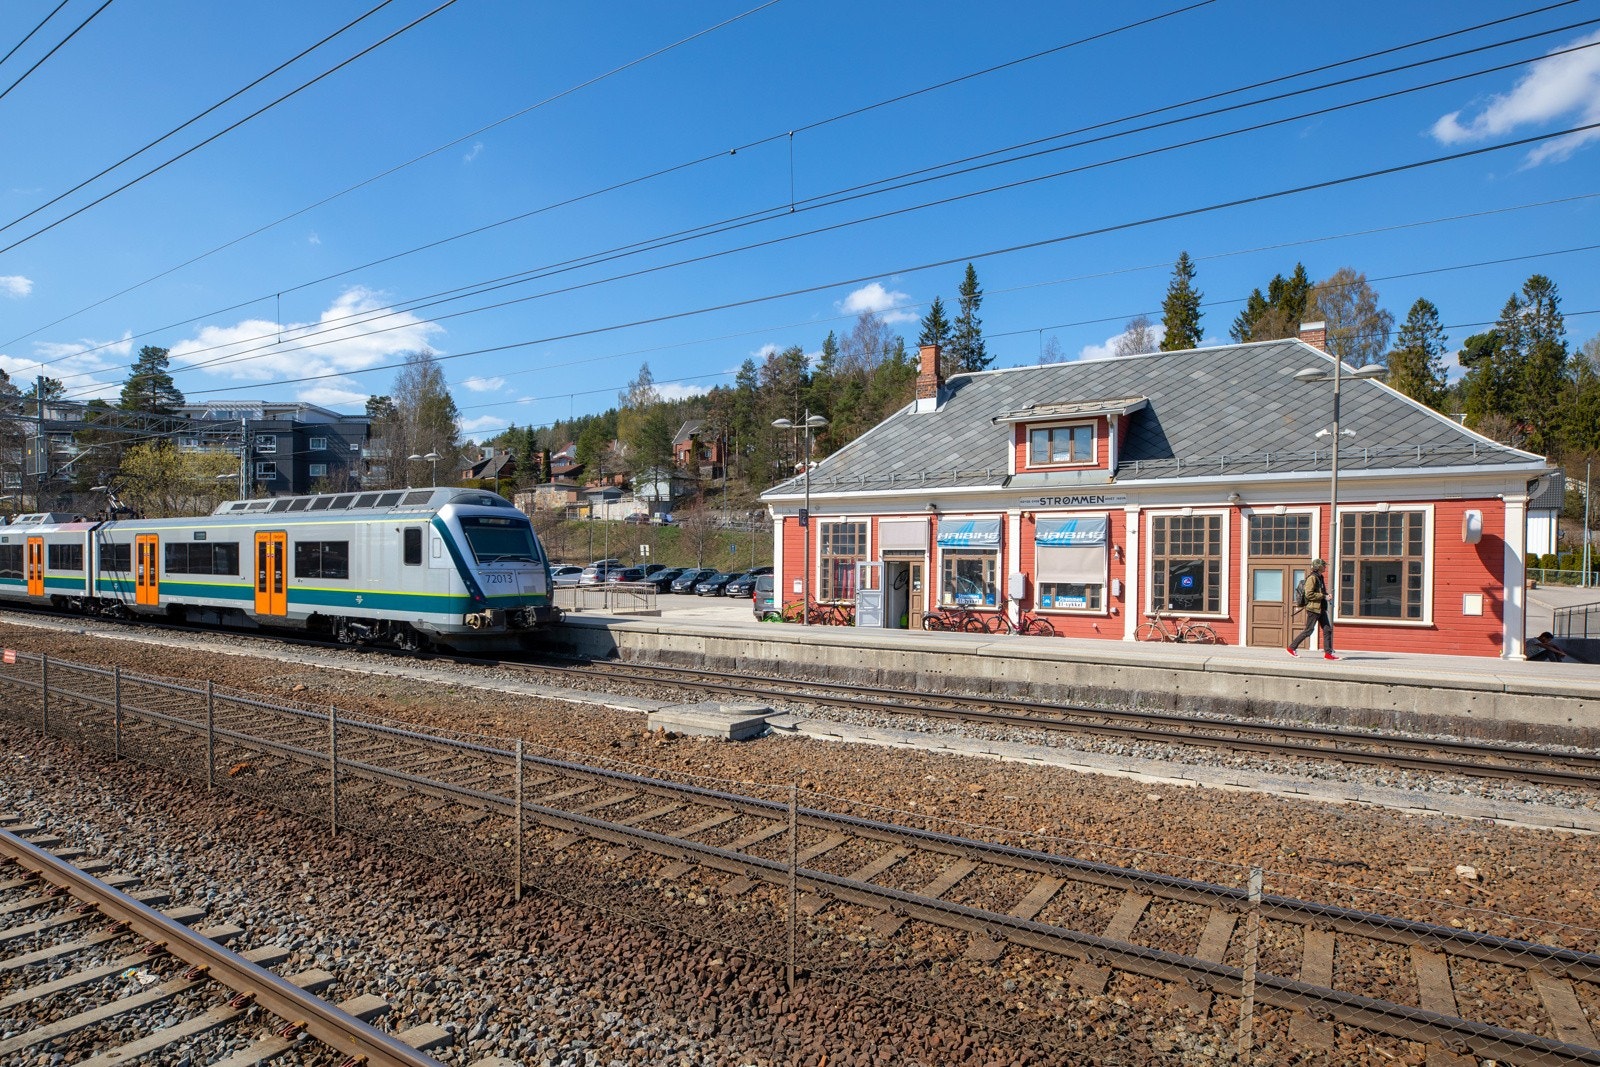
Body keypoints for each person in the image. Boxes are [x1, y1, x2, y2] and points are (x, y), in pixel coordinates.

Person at [1287, 558, 1336, 660]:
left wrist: (1327, 596)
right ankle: (1291, 648)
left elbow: (1320, 592)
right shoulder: (1312, 578)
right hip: (1313, 609)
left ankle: (1328, 654)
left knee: (1327, 630)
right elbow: (1309, 594)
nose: (1325, 567)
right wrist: (1323, 596)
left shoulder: (1320, 577)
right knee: (1309, 630)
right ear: (1318, 567)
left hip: (1321, 608)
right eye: (1324, 565)